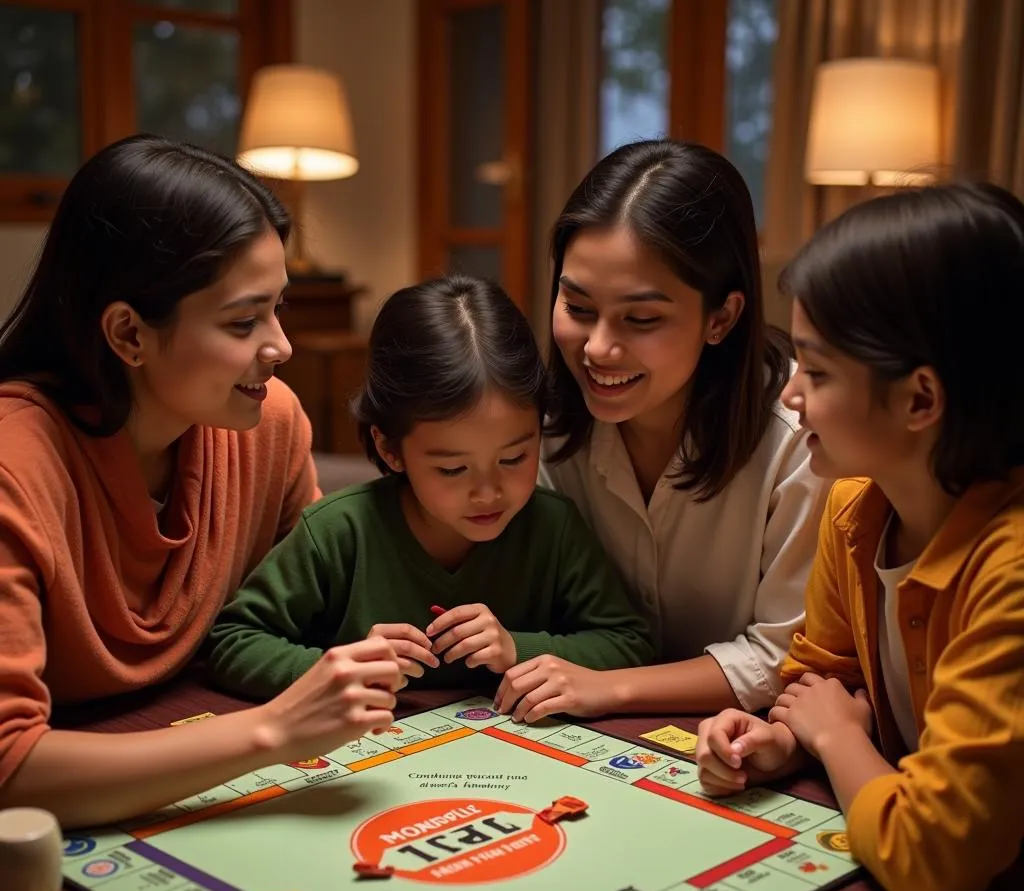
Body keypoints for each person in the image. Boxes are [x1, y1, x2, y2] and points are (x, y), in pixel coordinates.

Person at [0, 135, 404, 830]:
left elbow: (309, 616)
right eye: (244, 321)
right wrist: (273, 732)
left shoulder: (269, 425)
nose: (280, 346)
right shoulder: (17, 466)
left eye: (278, 308)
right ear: (129, 334)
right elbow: (10, 771)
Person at [695, 182, 1024, 891]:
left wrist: (839, 740)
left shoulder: (1011, 571)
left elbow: (936, 857)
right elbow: (820, 682)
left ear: (919, 401)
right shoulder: (858, 507)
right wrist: (778, 739)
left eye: (816, 372)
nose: (790, 396)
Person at [495, 139, 828, 722]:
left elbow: (783, 657)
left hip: (738, 737)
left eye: (641, 318)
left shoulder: (801, 435)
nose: (598, 348)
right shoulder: (537, 425)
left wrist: (612, 686)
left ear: (721, 317)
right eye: (576, 308)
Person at [208, 275, 653, 697]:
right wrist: (339, 670)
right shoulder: (338, 533)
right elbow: (232, 642)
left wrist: (519, 648)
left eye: (514, 458)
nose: (488, 492)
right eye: (453, 470)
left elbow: (630, 644)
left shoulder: (553, 528)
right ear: (390, 448)